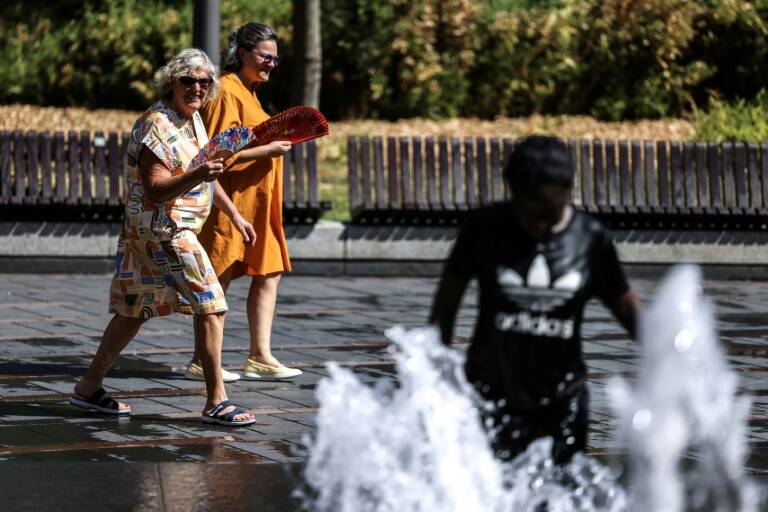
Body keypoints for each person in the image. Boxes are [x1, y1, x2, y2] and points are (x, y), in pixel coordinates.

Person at [70, 48, 257, 426]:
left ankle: (88, 387)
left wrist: (234, 213)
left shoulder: (191, 121)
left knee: (133, 310)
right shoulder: (158, 124)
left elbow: (206, 172)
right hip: (165, 230)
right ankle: (216, 400)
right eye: (188, 80)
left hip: (153, 231)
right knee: (211, 304)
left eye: (205, 82)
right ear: (170, 82)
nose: (197, 88)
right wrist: (199, 175)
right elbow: (156, 189)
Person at [430, 135, 641, 463]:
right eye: (530, 214)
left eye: (550, 214)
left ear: (568, 191)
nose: (540, 225)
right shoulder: (485, 229)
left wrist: (669, 365)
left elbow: (627, 308)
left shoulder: (590, 239)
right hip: (491, 394)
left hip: (562, 400)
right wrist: (436, 373)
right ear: (511, 190)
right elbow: (446, 304)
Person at [185, 22, 302, 381]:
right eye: (265, 57)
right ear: (241, 54)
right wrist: (267, 149)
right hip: (232, 202)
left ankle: (260, 355)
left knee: (269, 272)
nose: (271, 64)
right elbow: (216, 154)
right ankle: (201, 360)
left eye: (275, 58)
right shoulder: (227, 92)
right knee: (218, 276)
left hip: (261, 203)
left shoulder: (250, 93)